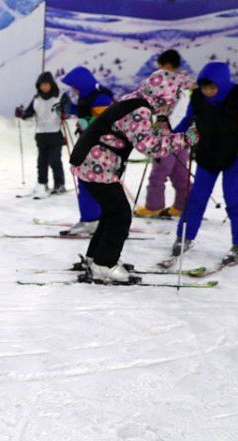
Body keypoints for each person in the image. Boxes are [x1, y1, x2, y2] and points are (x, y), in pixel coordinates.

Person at [71, 69, 197, 283]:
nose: (169, 106)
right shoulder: (140, 109)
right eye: (169, 100)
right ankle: (104, 264)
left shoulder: (135, 99)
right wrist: (184, 139)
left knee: (112, 212)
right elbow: (148, 146)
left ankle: (96, 258)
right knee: (120, 215)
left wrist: (160, 129)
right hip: (97, 163)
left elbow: (137, 133)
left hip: (90, 159)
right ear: (162, 96)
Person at [172, 62, 238, 263]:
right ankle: (184, 237)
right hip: (208, 153)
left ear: (223, 83)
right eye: (205, 87)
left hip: (237, 154)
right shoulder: (197, 97)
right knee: (197, 196)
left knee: (234, 196)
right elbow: (188, 120)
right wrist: (171, 138)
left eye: (212, 87)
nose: (208, 91)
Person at [134, 50, 195, 219]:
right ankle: (184, 206)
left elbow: (168, 111)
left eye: (162, 67)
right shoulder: (186, 85)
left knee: (159, 173)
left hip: (168, 135)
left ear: (168, 66)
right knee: (179, 173)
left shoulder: (170, 85)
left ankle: (154, 206)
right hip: (181, 136)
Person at [62, 66, 114, 232]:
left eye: (74, 85)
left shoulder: (102, 98)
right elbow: (85, 112)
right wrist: (68, 109)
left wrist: (86, 123)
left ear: (82, 83)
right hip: (88, 144)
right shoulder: (88, 95)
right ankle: (94, 218)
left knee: (89, 181)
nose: (73, 89)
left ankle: (92, 220)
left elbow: (106, 121)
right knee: (86, 180)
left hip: (99, 147)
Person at [16, 71, 71, 199]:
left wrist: (65, 113)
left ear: (51, 84)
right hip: (41, 135)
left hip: (55, 133)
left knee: (54, 160)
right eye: (41, 85)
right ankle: (42, 184)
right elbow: (28, 113)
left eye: (46, 84)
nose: (44, 87)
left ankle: (59, 184)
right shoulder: (36, 99)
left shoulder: (60, 96)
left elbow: (68, 109)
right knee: (41, 161)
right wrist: (21, 113)